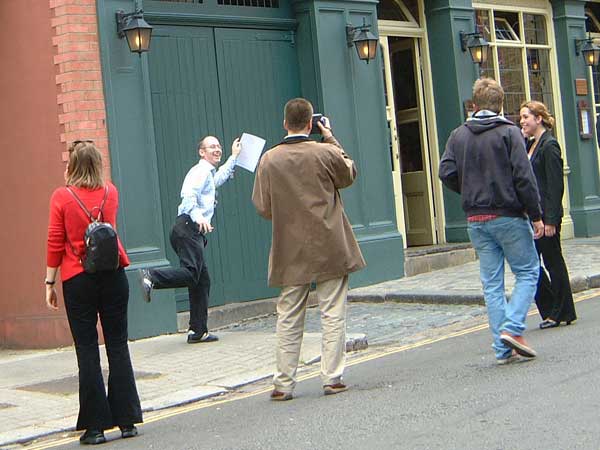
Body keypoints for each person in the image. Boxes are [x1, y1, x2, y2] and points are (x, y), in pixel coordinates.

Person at [252, 98, 366, 400]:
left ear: (285, 123)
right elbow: (349, 174)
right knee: (332, 311)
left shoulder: (269, 159)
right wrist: (329, 136)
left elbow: (263, 207)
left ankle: (283, 383)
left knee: (288, 314)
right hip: (330, 242)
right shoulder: (325, 152)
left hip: (290, 246)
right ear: (310, 123)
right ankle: (332, 377)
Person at [439, 78, 544, 365]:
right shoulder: (510, 133)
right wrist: (535, 215)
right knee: (528, 271)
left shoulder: (458, 134)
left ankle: (502, 349)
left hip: (476, 218)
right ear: (501, 105)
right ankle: (512, 328)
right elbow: (524, 177)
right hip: (508, 215)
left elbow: (445, 171)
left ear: (474, 105)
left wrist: (470, 189)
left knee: (492, 284)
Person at [46, 141, 142, 445]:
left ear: (71, 165)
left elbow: (55, 242)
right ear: (98, 163)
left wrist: (50, 283)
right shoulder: (110, 191)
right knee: (118, 346)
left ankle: (95, 428)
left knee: (87, 350)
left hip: (78, 280)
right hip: (113, 275)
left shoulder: (62, 196)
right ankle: (127, 421)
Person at [138, 136, 241, 343]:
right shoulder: (199, 171)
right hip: (187, 227)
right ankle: (151, 277)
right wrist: (199, 217)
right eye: (212, 146)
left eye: (219, 146)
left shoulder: (208, 174)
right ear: (201, 152)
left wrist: (234, 157)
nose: (217, 149)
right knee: (192, 273)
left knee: (202, 281)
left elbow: (218, 179)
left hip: (188, 230)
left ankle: (198, 331)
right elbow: (188, 196)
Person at [519, 100, 577, 328]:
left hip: (545, 217)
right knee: (531, 264)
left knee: (553, 262)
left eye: (526, 117)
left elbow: (554, 187)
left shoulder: (549, 146)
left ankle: (561, 311)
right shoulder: (529, 145)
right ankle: (553, 307)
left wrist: (551, 220)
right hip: (531, 217)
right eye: (521, 118)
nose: (522, 121)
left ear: (538, 118)